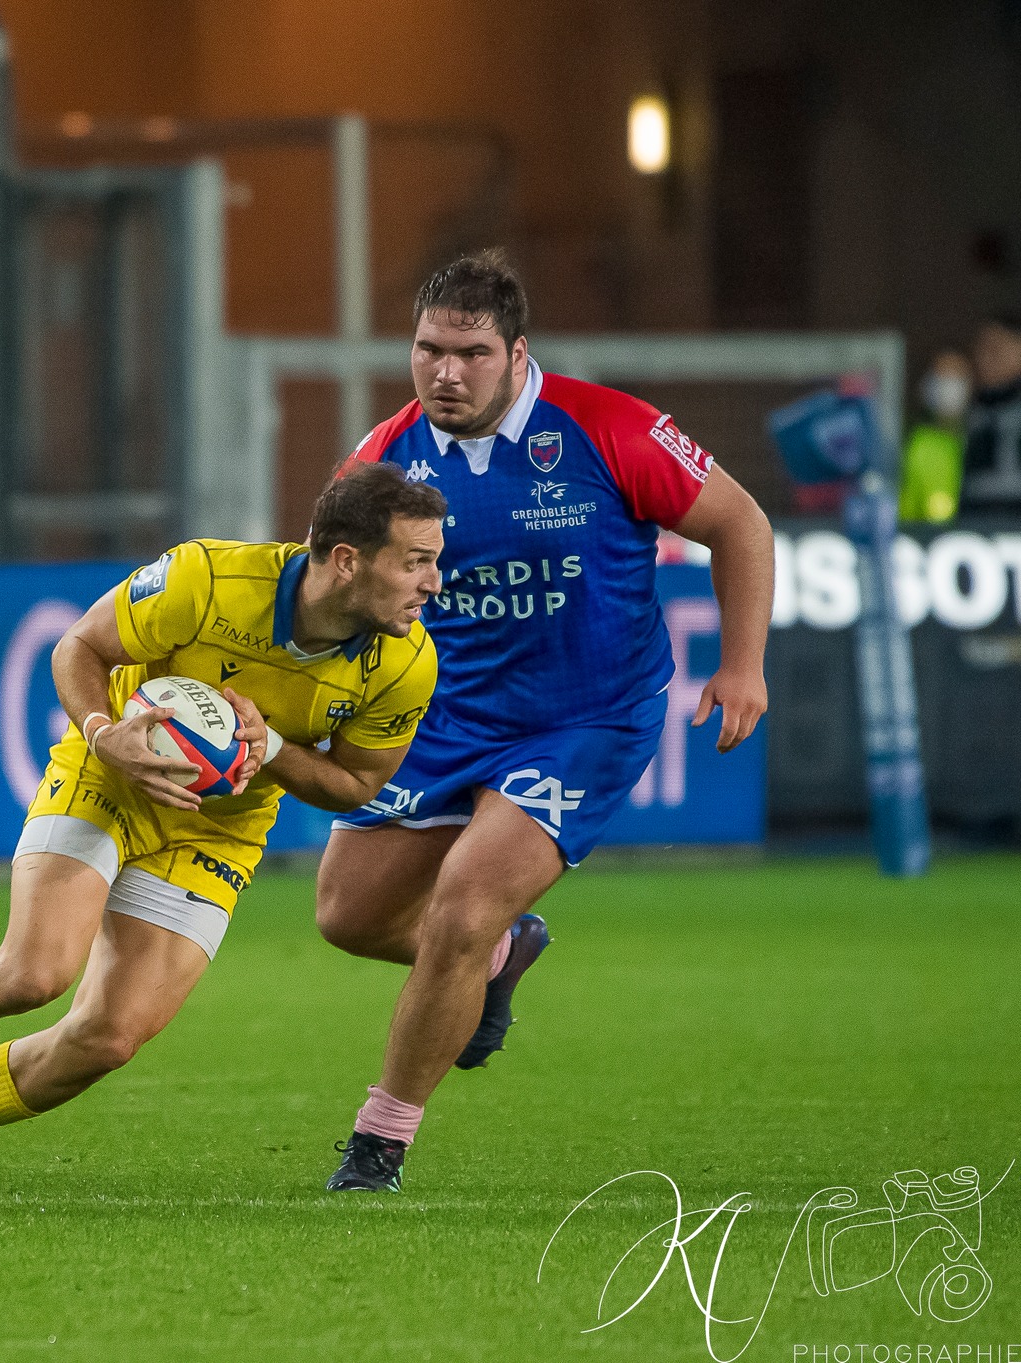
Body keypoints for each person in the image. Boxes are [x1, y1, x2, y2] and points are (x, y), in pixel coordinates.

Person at [0, 464, 445, 1214]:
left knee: (107, 1036)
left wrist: (268, 747)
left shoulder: (405, 663)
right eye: (415, 560)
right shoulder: (207, 578)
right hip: (109, 773)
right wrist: (106, 735)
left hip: (218, 830)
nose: (433, 580)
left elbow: (357, 784)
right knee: (33, 971)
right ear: (345, 560)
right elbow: (77, 647)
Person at [316, 250, 775, 1193]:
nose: (445, 372)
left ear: (518, 354)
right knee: (347, 916)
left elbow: (742, 525)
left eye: (471, 353)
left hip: (586, 718)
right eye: (427, 350)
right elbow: (332, 594)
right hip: (443, 716)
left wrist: (742, 664)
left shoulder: (610, 428)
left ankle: (378, 1144)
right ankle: (497, 957)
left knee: (460, 906)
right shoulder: (379, 461)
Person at [899, 350, 969, 524]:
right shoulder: (919, 443)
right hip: (932, 538)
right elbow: (907, 510)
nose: (949, 388)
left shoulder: (982, 435)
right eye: (941, 379)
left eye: (956, 379)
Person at [963, 316, 1021, 515]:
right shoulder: (970, 413)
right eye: (982, 350)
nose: (987, 358)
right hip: (973, 530)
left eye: (997, 349)